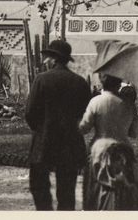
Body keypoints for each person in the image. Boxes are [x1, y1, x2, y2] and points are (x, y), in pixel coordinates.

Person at [24, 39, 92, 211]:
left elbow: (30, 113)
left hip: (44, 140)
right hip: (70, 141)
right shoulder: (80, 82)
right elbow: (85, 112)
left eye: (47, 58)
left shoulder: (41, 80)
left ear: (54, 59)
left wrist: (40, 129)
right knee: (67, 190)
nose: (45, 61)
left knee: (39, 186)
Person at [79, 74, 138, 211]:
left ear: (102, 83)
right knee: (128, 192)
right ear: (119, 83)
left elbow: (84, 128)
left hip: (100, 152)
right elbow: (134, 133)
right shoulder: (128, 104)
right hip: (124, 151)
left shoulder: (95, 102)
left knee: (95, 190)